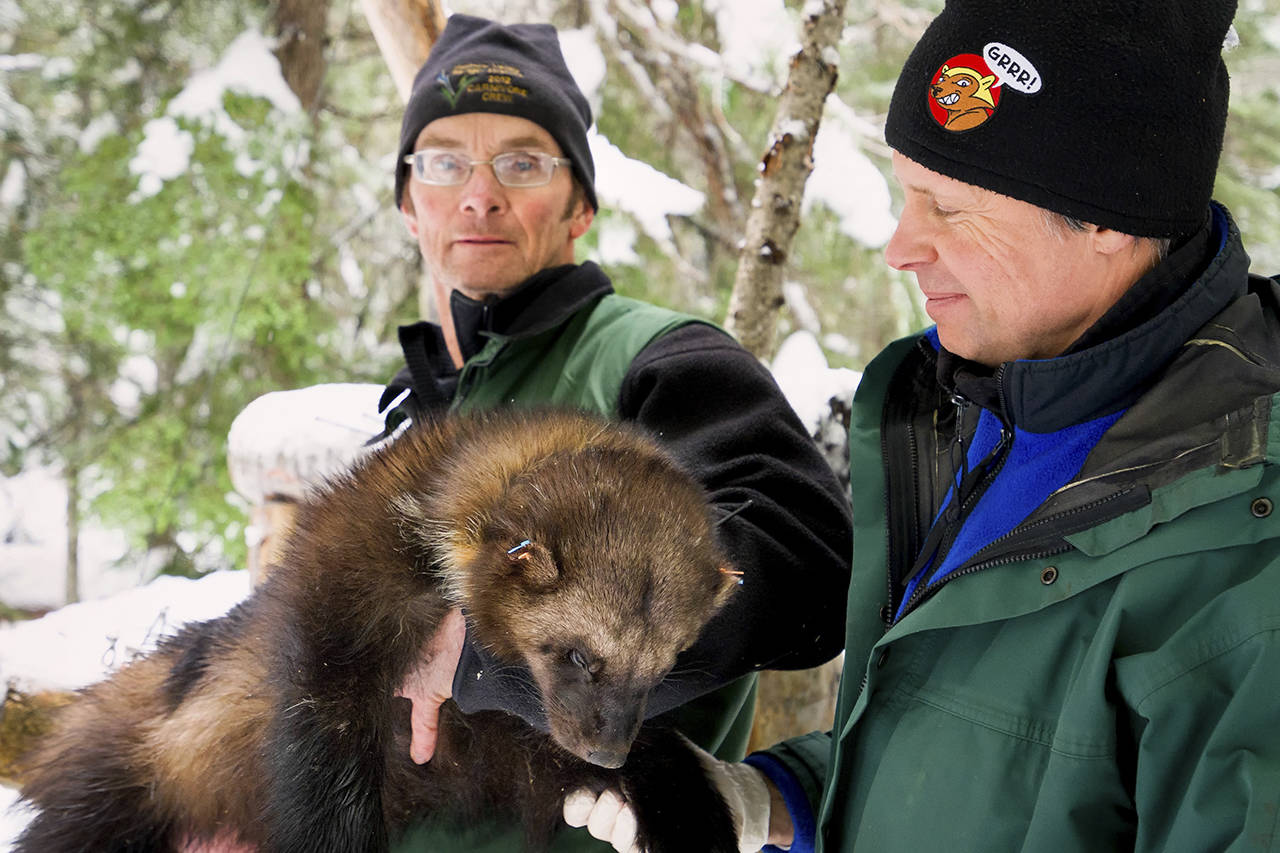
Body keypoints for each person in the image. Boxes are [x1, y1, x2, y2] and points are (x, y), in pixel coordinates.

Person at [569, 0, 1280, 850]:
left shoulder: (1244, 567)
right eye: (908, 193)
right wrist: (768, 797)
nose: (899, 246)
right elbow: (986, 761)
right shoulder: (971, 408)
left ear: (1106, 218)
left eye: (949, 207)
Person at [376, 14, 853, 853]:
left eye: (522, 162)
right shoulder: (411, 411)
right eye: (445, 162)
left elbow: (813, 563)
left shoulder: (657, 358)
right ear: (410, 203)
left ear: (582, 205)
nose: (479, 193)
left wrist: (481, 655)